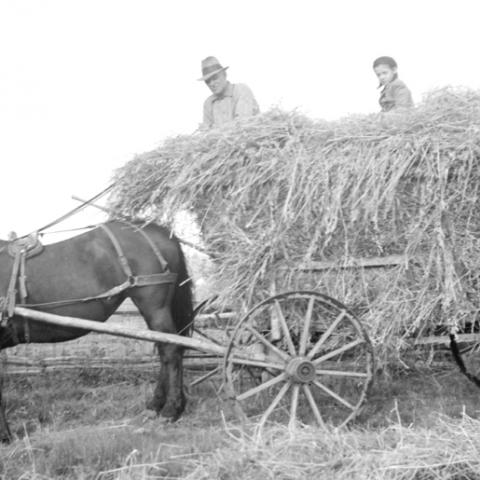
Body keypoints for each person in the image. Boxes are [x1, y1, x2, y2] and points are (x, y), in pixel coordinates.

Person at [199, 56, 259, 129]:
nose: (211, 84)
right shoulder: (208, 103)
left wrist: (213, 128)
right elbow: (206, 133)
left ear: (224, 74)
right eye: (208, 81)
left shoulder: (241, 90)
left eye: (215, 78)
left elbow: (242, 125)